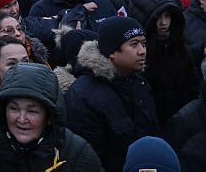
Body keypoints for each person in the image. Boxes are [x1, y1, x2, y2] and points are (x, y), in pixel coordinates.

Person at [0, 63, 101, 171]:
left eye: (32, 111)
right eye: (14, 108)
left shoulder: (77, 155)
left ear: (49, 116)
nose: (22, 119)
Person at [65, 17, 159, 172]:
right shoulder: (84, 96)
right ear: (112, 51)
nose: (142, 51)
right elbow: (89, 160)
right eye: (134, 44)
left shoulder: (138, 83)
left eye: (143, 43)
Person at [128, 0, 197, 124]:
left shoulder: (178, 46)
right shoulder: (138, 55)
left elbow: (191, 84)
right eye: (158, 17)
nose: (163, 23)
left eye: (167, 16)